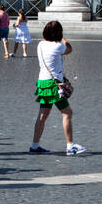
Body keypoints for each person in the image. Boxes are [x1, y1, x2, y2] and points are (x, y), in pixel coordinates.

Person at [30, 20, 87, 155]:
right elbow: (69, 48)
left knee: (42, 115)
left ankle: (35, 145)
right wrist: (62, 38)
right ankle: (70, 145)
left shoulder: (41, 44)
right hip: (53, 84)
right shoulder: (58, 47)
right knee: (67, 113)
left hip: (43, 82)